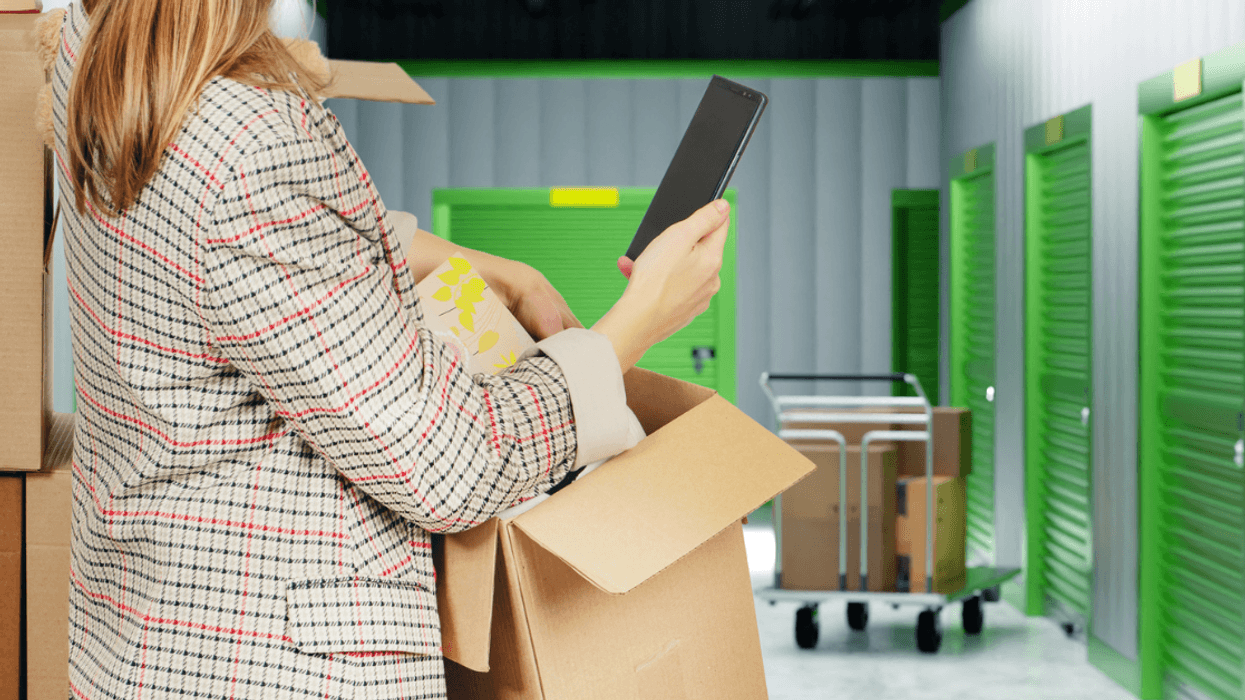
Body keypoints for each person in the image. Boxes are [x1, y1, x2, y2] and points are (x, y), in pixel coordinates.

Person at [39, 1, 729, 698]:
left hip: (148, 640)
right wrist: (637, 322)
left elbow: (225, 237)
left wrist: (484, 267)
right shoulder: (251, 144)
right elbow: (453, 465)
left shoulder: (97, 54)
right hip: (274, 668)